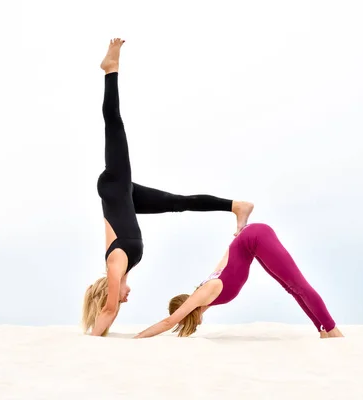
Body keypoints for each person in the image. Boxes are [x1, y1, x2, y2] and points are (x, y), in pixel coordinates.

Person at [82, 38, 254, 337]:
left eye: (121, 298)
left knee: (115, 126)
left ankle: (111, 70)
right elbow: (111, 308)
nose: (126, 298)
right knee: (178, 201)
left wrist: (93, 339)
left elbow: (109, 309)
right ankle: (235, 205)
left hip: (114, 186)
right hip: (122, 195)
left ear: (107, 292)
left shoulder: (115, 264)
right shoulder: (123, 266)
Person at [134, 223, 344, 339]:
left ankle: (332, 329)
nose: (181, 321)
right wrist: (239, 236)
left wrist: (137, 339)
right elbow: (227, 256)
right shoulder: (209, 288)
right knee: (292, 288)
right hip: (250, 241)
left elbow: (168, 322)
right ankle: (323, 330)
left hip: (256, 237)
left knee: (299, 285)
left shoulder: (205, 292)